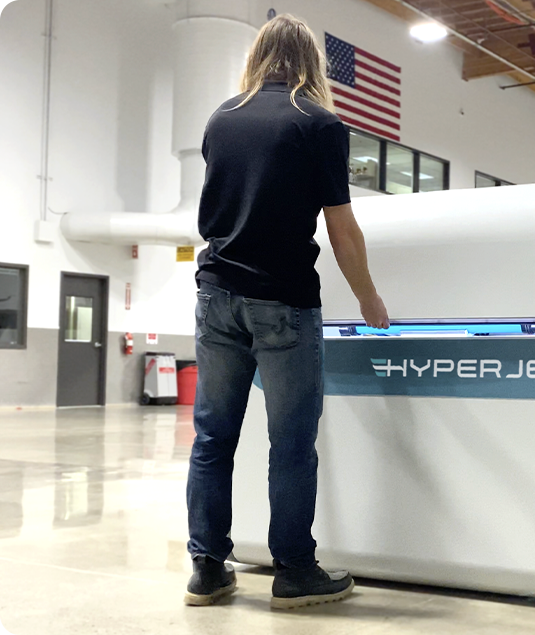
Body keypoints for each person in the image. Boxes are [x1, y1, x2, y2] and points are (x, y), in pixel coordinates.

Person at [184, 13, 389, 609]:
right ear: (310, 62)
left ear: (259, 55)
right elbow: (341, 229)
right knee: (291, 443)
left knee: (212, 438)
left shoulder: (221, 118)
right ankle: (295, 570)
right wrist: (369, 297)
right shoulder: (319, 122)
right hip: (284, 302)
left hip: (216, 297)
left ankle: (207, 568)